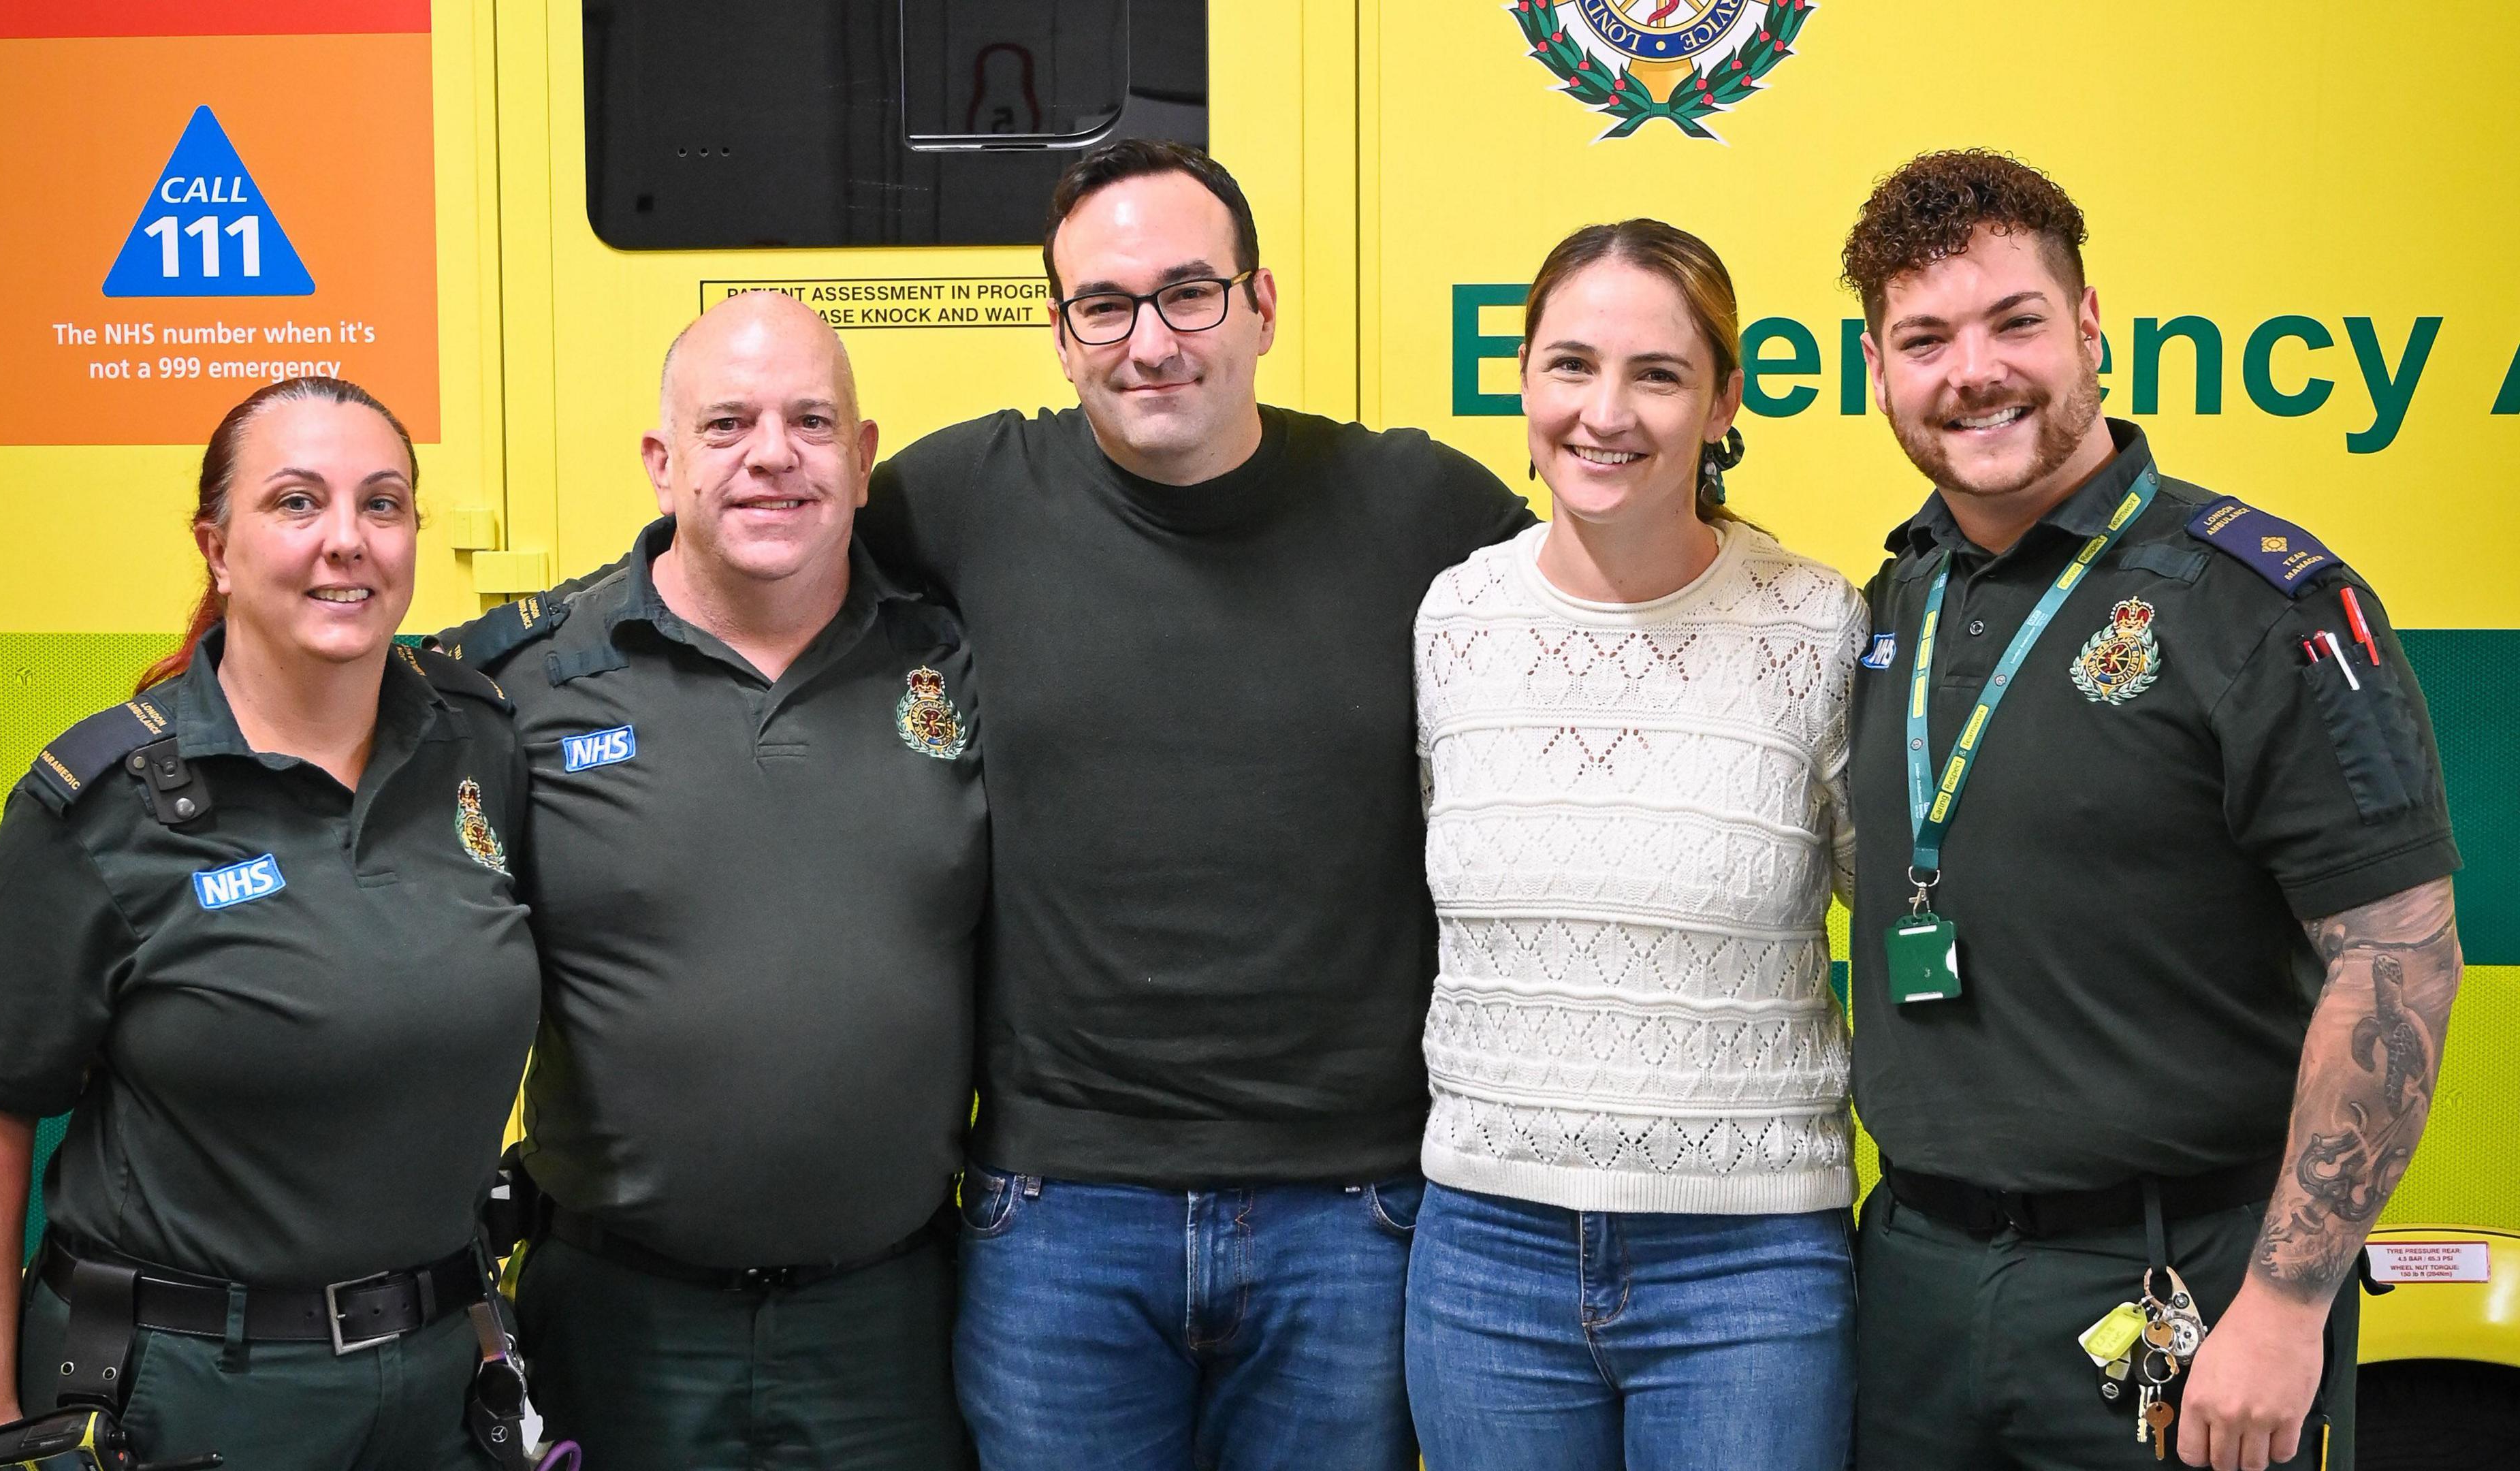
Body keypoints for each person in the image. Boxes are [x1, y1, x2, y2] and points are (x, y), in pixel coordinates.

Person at [857, 139, 1533, 1471]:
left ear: (1263, 305)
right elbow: (743, 568)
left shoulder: (1416, 504)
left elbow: (1624, 604)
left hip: (1352, 1214)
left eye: (1189, 294)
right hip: (1058, 1217)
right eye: (1103, 306)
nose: (1149, 340)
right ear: (1060, 335)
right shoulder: (964, 498)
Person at [1838, 150, 2463, 1471]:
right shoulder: (1895, 603)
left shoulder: (2260, 602)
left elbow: (2397, 960)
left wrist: (2289, 1306)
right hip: (1913, 1284)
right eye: (1925, 339)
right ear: (1880, 368)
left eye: (2015, 322)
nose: (1974, 372)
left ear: (2090, 327)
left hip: (2180, 1283)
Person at [0, 377, 539, 1468]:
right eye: (297, 503)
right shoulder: (100, 806)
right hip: (195, 1391)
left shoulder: (476, 744)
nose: (345, 540)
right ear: (216, 546)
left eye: (383, 504)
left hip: (443, 1373)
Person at [436, 291, 983, 1470]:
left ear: (863, 455)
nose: (772, 456)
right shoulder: (525, 686)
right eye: (728, 423)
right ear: (662, 461)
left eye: (812, 421)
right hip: (622, 1318)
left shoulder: (955, 662)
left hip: (892, 1324)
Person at [1403, 219, 1865, 1471]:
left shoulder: (1815, 624)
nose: (1606, 411)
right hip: (1487, 1253)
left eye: (1657, 374)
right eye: (1571, 364)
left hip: (1748, 1269)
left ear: (1723, 401)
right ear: (1522, 382)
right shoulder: (1453, 620)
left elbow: (1897, 919)